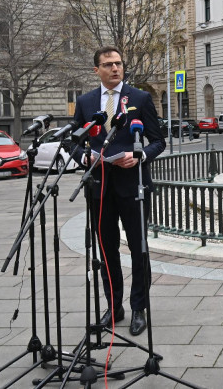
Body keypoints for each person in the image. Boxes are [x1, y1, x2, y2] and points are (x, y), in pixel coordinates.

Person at [73, 46, 166, 336]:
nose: (115, 68)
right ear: (96, 70)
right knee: (107, 251)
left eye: (118, 63)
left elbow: (158, 141)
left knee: (139, 250)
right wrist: (83, 157)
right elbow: (73, 141)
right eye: (108, 64)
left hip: (134, 186)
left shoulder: (139, 98)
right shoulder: (86, 102)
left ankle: (139, 306)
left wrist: (140, 156)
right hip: (100, 188)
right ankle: (114, 306)